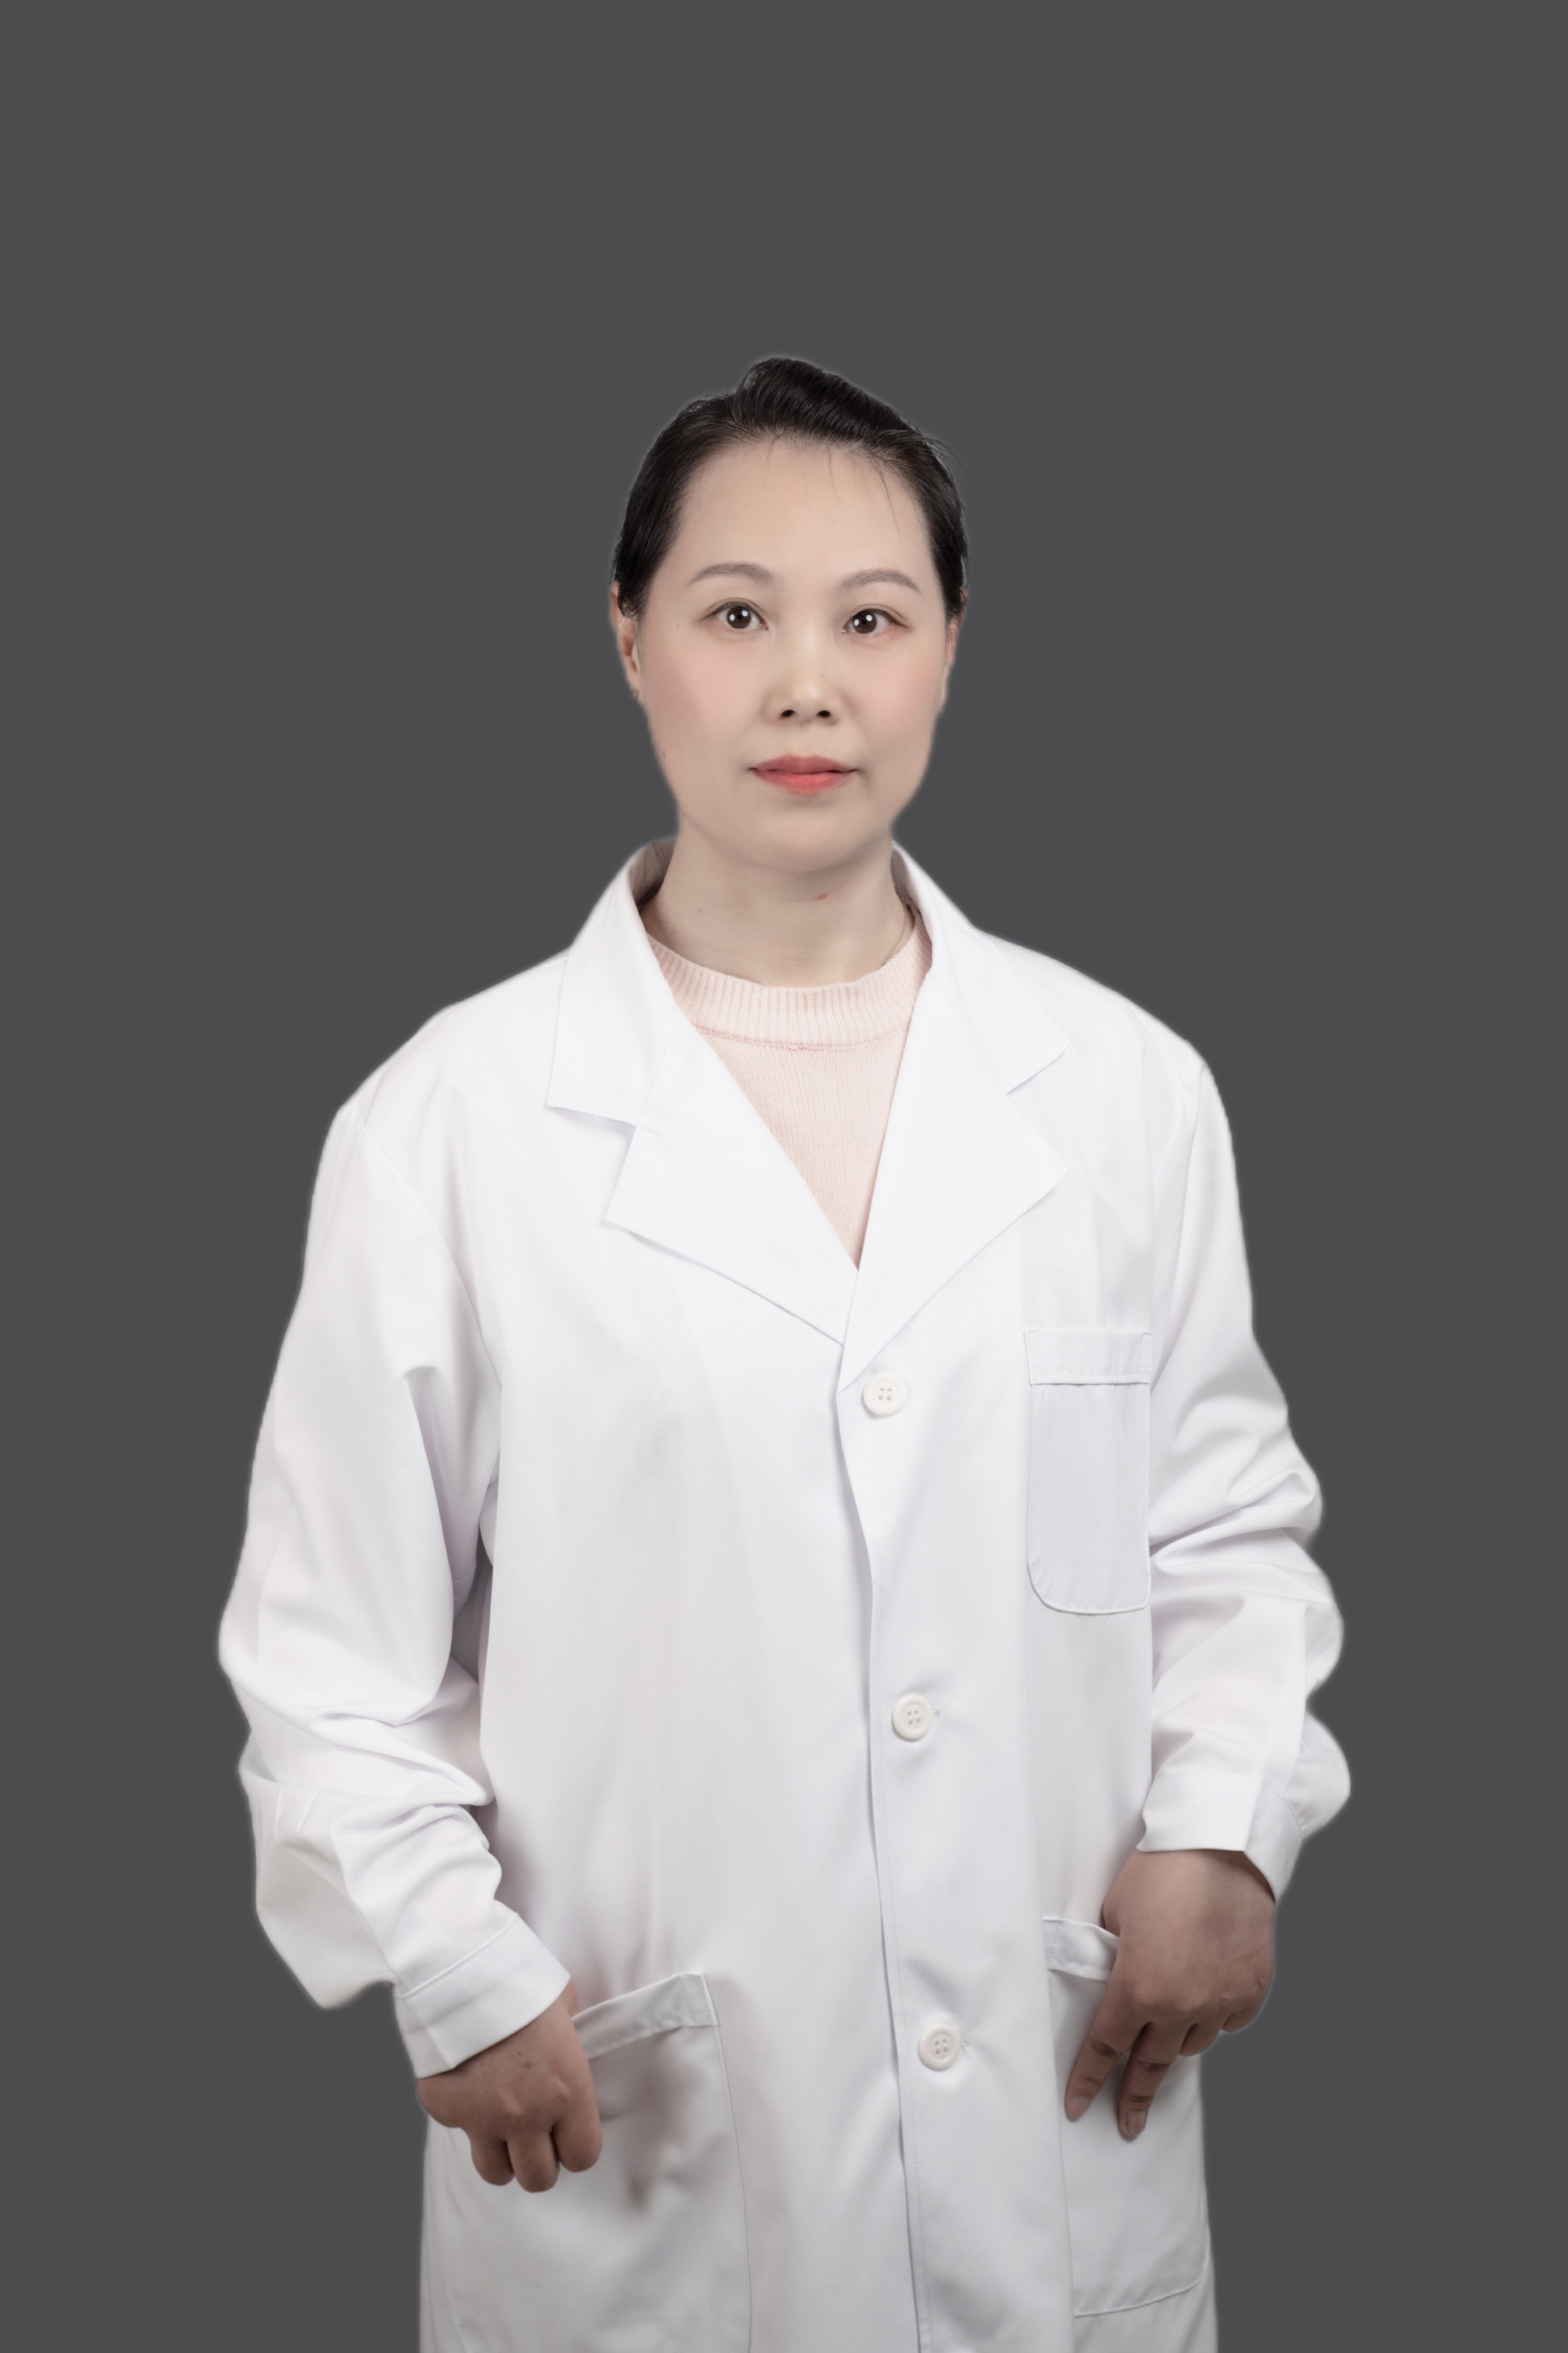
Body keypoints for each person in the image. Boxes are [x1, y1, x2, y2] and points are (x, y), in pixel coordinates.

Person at [221, 357, 1348, 2353]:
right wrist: (451, 1967)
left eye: (872, 619)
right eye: (737, 613)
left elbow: (1223, 1531)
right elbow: (328, 1661)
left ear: (951, 651)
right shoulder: (450, 1126)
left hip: (1052, 2125)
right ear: (628, 636)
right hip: (640, 2146)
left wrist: (1222, 1824)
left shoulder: (1123, 1090)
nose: (807, 686)